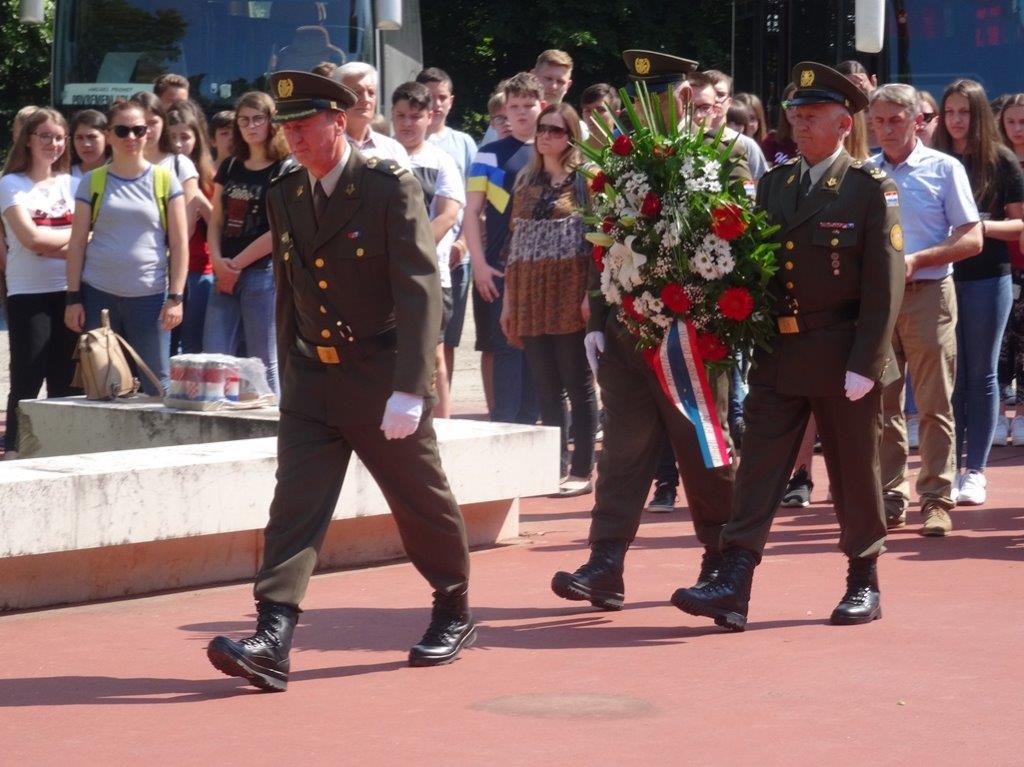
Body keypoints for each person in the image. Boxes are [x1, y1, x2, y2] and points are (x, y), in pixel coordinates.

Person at [205, 71, 474, 691]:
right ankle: (273, 636)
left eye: (305, 126)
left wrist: (411, 387)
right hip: (311, 378)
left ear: (337, 121)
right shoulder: (285, 190)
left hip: (380, 376)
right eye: (288, 128)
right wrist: (288, 371)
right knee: (294, 506)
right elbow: (291, 290)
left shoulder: (386, 185)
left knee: (420, 499)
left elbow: (419, 288)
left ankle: (453, 605)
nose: (294, 139)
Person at [672, 62, 904, 630]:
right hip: (779, 350)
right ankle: (734, 582)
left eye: (812, 115)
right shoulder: (776, 185)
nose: (799, 124)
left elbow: (886, 282)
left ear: (843, 124)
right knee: (759, 468)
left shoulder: (869, 187)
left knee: (854, 472)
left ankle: (863, 579)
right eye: (796, 115)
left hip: (844, 352)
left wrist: (868, 361)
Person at [551, 50, 746, 610]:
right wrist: (597, 316)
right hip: (627, 331)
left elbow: (739, 241)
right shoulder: (616, 161)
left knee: (703, 449)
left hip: (694, 336)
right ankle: (606, 561)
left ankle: (721, 560)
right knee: (621, 449)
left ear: (681, 98)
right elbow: (602, 242)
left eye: (655, 98)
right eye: (636, 100)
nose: (643, 110)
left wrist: (714, 316)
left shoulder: (722, 155)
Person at [869, 83, 982, 536]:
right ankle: (890, 496)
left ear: (917, 121)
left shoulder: (945, 168)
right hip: (879, 302)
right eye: (879, 121)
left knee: (934, 404)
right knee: (882, 404)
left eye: (896, 120)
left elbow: (972, 237)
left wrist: (919, 260)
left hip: (930, 295)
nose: (886, 129)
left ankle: (936, 499)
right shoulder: (865, 173)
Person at [933, 79, 1024, 506]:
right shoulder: (933, 159)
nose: (956, 120)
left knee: (982, 374)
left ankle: (976, 471)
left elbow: (1019, 224)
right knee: (950, 377)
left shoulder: (1000, 160)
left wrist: (978, 227)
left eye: (964, 112)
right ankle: (949, 466)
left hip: (989, 277)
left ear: (980, 115)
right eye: (950, 112)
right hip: (941, 277)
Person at [500, 103, 596, 496]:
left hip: (569, 293)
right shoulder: (525, 179)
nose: (545, 136)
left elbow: (598, 244)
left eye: (555, 130)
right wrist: (508, 302)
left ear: (571, 137)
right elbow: (514, 244)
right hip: (530, 294)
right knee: (546, 387)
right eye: (542, 129)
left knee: (578, 383)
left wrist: (590, 296)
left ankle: (582, 470)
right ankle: (553, 467)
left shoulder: (586, 182)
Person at [64, 99, 188, 394]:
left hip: (150, 296)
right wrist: (73, 299)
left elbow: (179, 243)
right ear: (108, 135)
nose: (131, 137)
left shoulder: (165, 180)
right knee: (100, 384)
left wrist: (176, 297)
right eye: (122, 130)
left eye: (138, 130)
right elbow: (77, 243)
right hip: (98, 295)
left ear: (148, 132)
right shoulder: (92, 181)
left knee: (157, 384)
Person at [0, 108, 80, 459]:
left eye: (59, 137)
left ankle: (59, 449)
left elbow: (88, 238)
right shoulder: (10, 184)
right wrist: (77, 241)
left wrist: (55, 245)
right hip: (28, 294)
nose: (53, 143)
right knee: (27, 378)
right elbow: (30, 240)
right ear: (28, 140)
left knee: (66, 380)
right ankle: (14, 450)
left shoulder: (74, 184)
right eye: (45, 136)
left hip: (69, 292)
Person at [464, 73, 543, 425]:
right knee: (506, 346)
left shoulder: (554, 150)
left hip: (544, 269)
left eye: (529, 105)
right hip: (499, 266)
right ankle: (505, 428)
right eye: (514, 106)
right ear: (504, 111)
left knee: (539, 351)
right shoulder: (489, 153)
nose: (522, 113)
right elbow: (471, 212)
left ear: (543, 105)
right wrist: (479, 265)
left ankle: (538, 431)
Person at [204, 91, 292, 395]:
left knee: (262, 360)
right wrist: (218, 262)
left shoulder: (285, 167)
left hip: (261, 273)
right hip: (223, 270)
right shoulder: (230, 165)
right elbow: (216, 219)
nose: (251, 126)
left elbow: (281, 228)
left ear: (271, 121)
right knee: (214, 357)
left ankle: (272, 421)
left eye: (258, 119)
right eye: (244, 120)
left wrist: (236, 265)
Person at [391, 81, 465, 418]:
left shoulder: (442, 161)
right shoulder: (377, 156)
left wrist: (410, 253)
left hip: (429, 275)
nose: (407, 123)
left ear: (429, 117)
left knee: (433, 355)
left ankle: (442, 430)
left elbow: (447, 215)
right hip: (382, 275)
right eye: (401, 116)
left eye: (415, 116)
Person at [415, 67, 478, 396]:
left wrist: (464, 243)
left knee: (446, 340)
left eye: (442, 97)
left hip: (455, 257)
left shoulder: (464, 143)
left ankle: (444, 401)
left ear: (451, 101)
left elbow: (475, 199)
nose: (436, 104)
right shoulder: (400, 141)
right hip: (413, 257)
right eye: (430, 97)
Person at [167, 102, 216, 354]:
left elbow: (219, 225)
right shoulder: (160, 172)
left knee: (192, 346)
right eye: (172, 137)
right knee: (167, 344)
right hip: (166, 271)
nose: (178, 144)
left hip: (199, 271)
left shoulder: (210, 177)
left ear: (197, 138)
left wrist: (197, 198)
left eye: (185, 137)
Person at [997, 93, 1024, 444]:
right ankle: (999, 416)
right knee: (1003, 346)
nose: (1018, 129)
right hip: (1001, 265)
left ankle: (1021, 418)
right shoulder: (998, 162)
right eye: (1011, 122)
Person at [129, 92, 199, 213]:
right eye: (140, 123)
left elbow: (188, 219)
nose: (147, 130)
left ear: (163, 123)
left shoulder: (180, 165)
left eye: (153, 123)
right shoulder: (114, 164)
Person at [332, 62, 410, 166]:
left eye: (371, 92)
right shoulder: (324, 147)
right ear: (338, 97)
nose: (366, 99)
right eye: (357, 92)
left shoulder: (393, 150)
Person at [702, 69, 769, 180]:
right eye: (710, 93)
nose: (715, 99)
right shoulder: (686, 139)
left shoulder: (746, 145)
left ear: (729, 102)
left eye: (720, 94)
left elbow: (762, 184)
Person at [761, 82, 798, 166]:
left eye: (798, 104)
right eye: (788, 104)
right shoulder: (771, 142)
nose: (794, 110)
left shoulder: (817, 143)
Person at [580, 83, 621, 149]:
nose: (592, 116)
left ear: (616, 115)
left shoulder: (633, 148)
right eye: (587, 110)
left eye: (600, 110)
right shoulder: (573, 150)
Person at [69, 110, 108, 179]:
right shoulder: (64, 177)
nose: (86, 144)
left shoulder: (121, 174)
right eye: (79, 138)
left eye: (92, 137)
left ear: (107, 138)